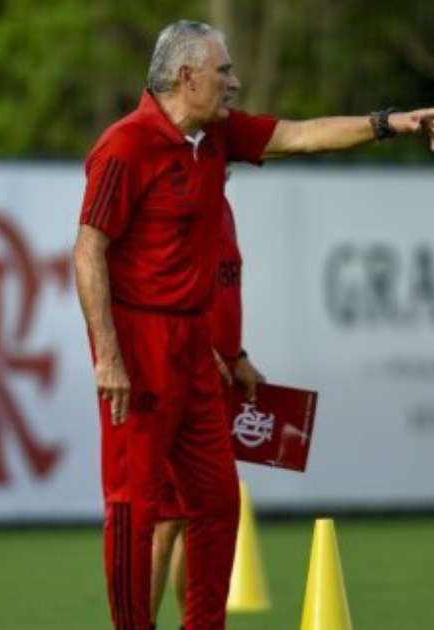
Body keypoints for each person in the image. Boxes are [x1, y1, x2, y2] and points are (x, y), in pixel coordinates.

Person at [73, 19, 434, 630]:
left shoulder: (216, 136)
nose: (235, 81)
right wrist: (108, 357)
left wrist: (387, 123)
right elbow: (88, 252)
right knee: (134, 507)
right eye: (224, 72)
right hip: (140, 344)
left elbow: (303, 135)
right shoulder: (124, 146)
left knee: (217, 502)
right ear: (186, 75)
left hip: (195, 347)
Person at [150, 184, 262, 626]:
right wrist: (198, 348)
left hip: (212, 382)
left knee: (194, 520)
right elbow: (157, 291)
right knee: (164, 524)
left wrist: (239, 355)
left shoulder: (220, 207)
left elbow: (219, 295)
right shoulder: (174, 207)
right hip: (175, 379)